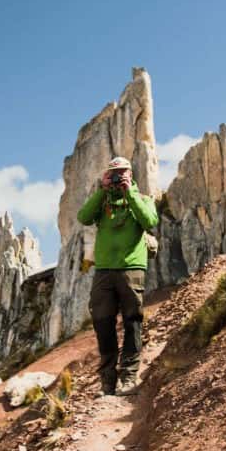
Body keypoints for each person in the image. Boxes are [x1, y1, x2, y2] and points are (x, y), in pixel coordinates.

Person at [77, 156, 159, 396]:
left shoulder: (142, 199)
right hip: (103, 270)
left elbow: (150, 221)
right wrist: (102, 191)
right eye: (113, 173)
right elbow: (83, 217)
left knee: (132, 321)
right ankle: (108, 380)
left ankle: (129, 376)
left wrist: (129, 194)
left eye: (122, 173)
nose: (117, 177)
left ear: (130, 174)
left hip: (132, 268)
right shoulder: (103, 203)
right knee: (102, 322)